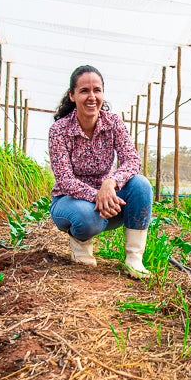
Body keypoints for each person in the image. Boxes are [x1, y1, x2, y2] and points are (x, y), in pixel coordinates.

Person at [48, 65, 153, 278]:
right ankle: (81, 244)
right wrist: (98, 196)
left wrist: (110, 183)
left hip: (109, 201)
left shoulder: (113, 123)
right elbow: (65, 180)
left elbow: (132, 160)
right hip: (69, 201)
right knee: (87, 217)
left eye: (97, 90)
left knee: (141, 185)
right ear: (72, 95)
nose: (92, 96)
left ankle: (134, 258)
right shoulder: (59, 130)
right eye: (84, 90)